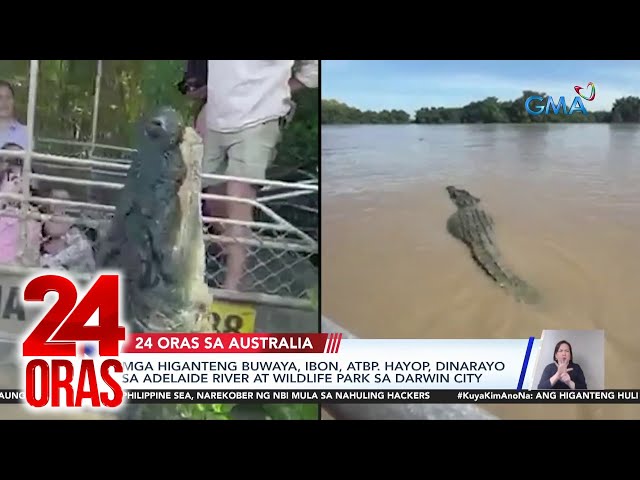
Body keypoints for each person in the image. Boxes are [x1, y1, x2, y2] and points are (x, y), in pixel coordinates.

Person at [201, 60, 318, 291]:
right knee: (212, 200)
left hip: (259, 118)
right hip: (215, 118)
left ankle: (233, 285)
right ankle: (236, 264)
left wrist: (276, 90)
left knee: (238, 201)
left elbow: (312, 69)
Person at [39, 188, 96, 273]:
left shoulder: (72, 222)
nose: (59, 204)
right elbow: (51, 231)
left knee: (84, 246)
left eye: (62, 201)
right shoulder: (43, 219)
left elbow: (77, 240)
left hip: (67, 255)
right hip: (51, 256)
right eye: (56, 199)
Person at [0, 151, 41, 265]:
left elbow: (31, 257)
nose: (19, 183)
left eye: (25, 181)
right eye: (13, 179)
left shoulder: (31, 219)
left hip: (13, 273)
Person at [0, 80, 28, 149]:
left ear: (14, 102)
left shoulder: (26, 133)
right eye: (0, 97)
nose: (4, 102)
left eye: (8, 97)